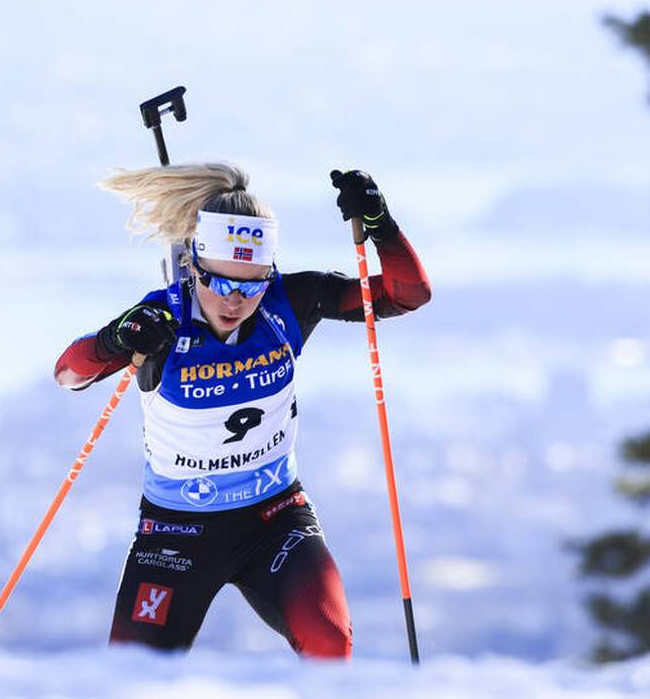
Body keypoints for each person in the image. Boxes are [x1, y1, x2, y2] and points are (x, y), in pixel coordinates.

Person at [54, 163, 431, 659]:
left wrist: (381, 225)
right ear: (194, 267)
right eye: (222, 283)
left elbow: (408, 295)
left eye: (252, 284)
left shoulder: (289, 302)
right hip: (177, 530)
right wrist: (115, 339)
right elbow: (69, 374)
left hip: (274, 518)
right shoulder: (163, 317)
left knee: (329, 643)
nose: (235, 300)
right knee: (132, 676)